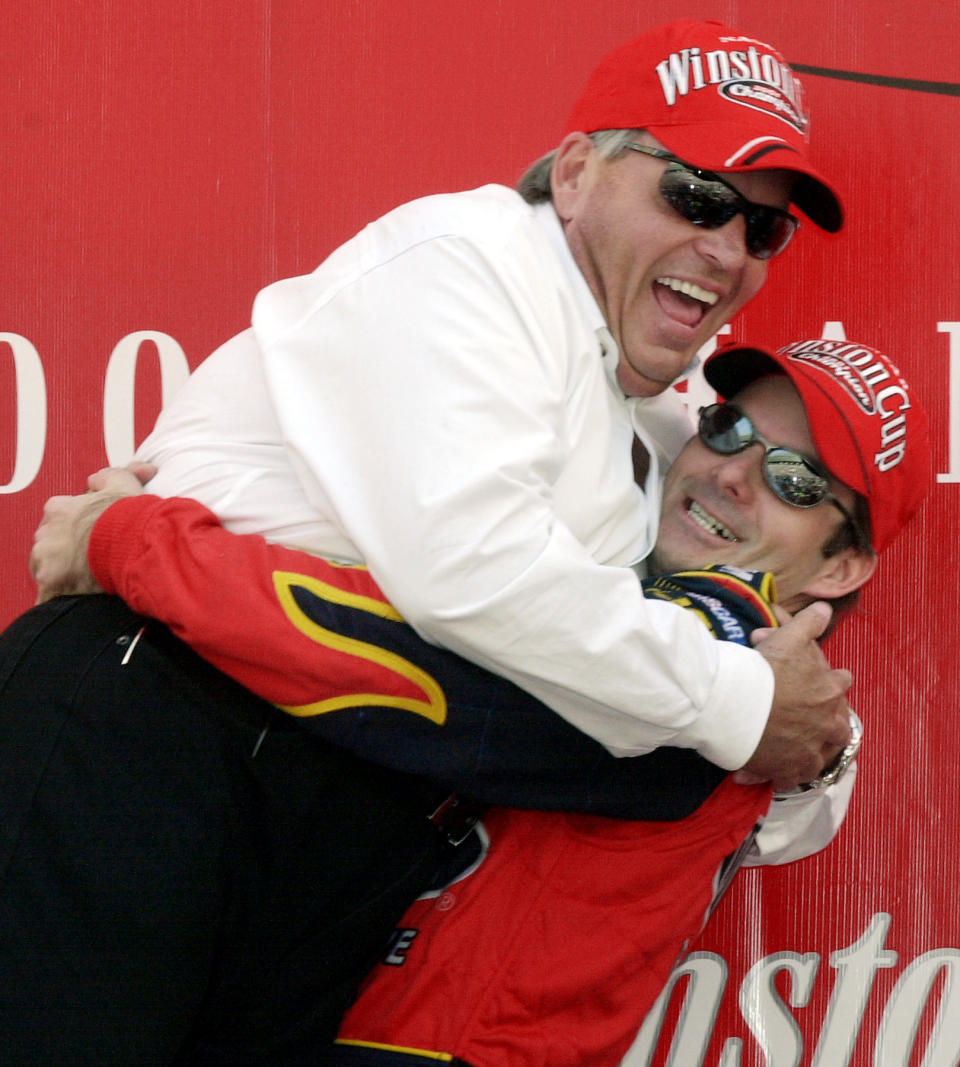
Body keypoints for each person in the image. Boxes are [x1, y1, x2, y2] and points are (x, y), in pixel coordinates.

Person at [28, 337, 930, 1067]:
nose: (735, 474)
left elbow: (394, 671)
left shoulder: (725, 641)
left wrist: (132, 538)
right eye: (730, 429)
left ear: (842, 564)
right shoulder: (625, 587)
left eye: (798, 482)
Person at [105, 17, 851, 791]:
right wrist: (744, 705)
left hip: (305, 801)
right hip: (147, 728)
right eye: (695, 196)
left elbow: (692, 673)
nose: (727, 249)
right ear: (574, 174)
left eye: (763, 228)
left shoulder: (662, 420)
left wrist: (820, 742)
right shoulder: (465, 263)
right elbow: (474, 573)